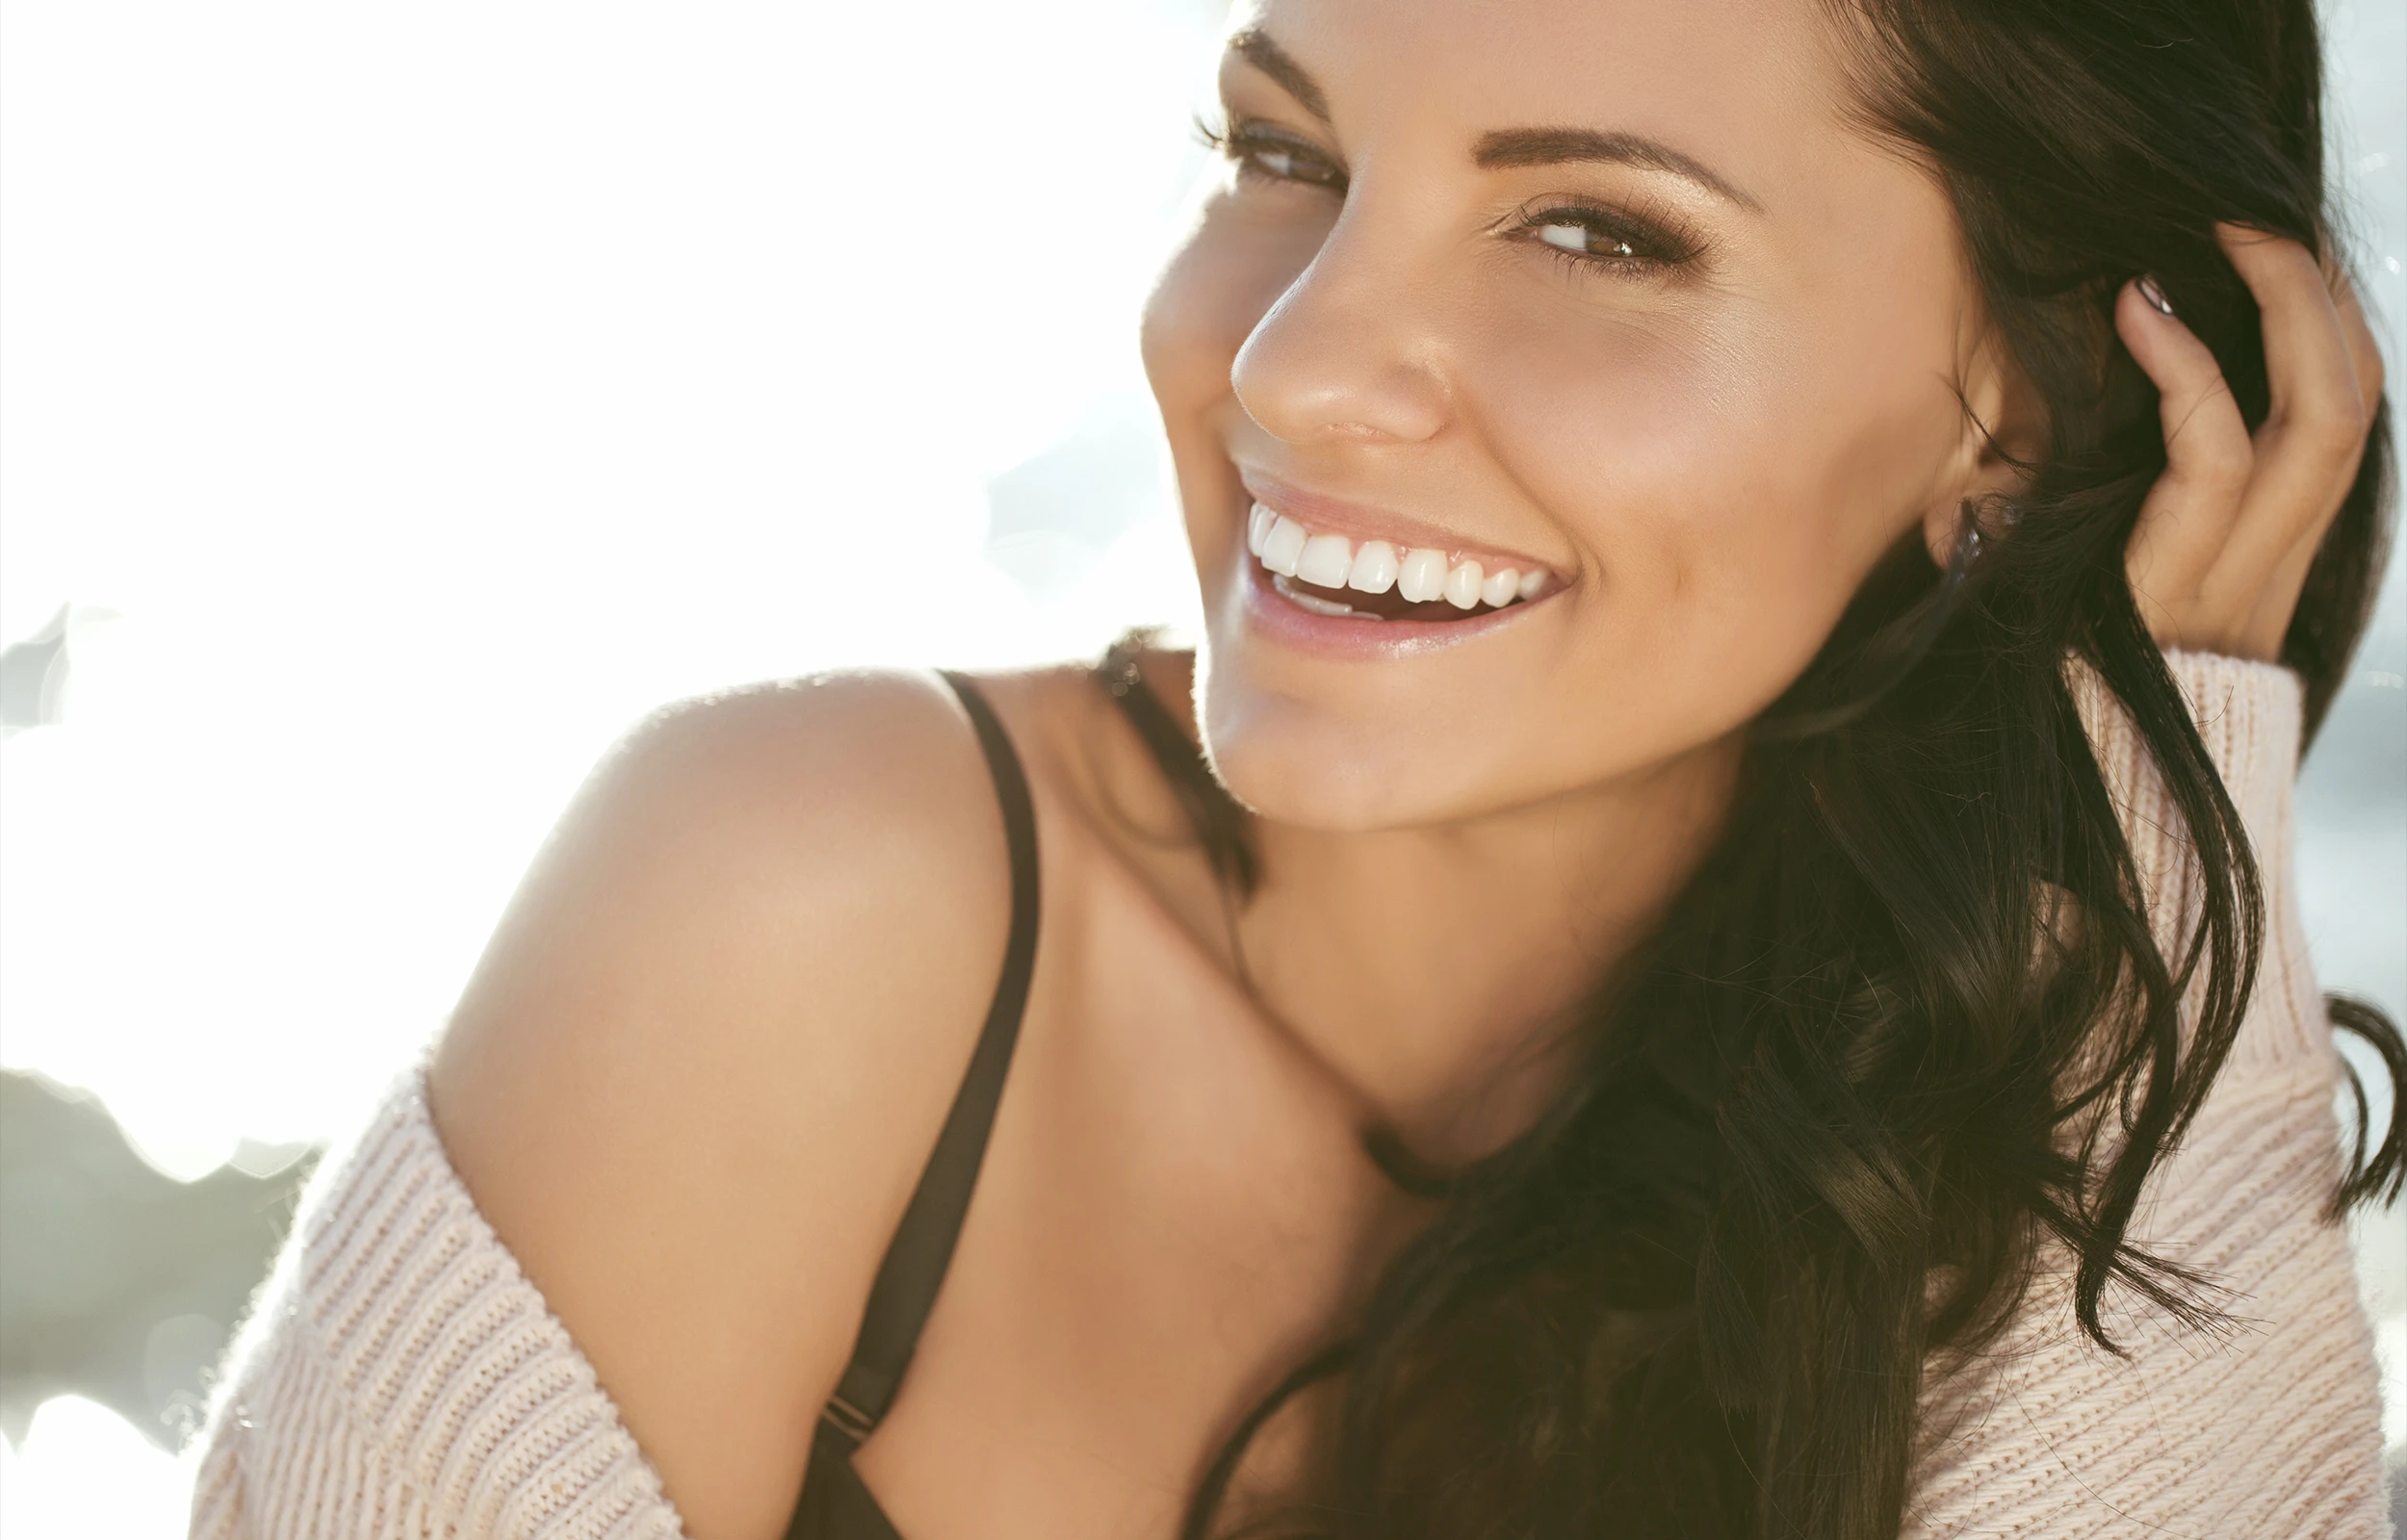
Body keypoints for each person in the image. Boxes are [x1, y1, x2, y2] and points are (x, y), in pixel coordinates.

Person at [192, 0, 2402, 1535]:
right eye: (1282, 152)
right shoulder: (811, 908)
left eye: (1596, 230)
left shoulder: (1989, 1092)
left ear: (2013, 412)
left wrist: (2145, 810)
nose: (1293, 362)